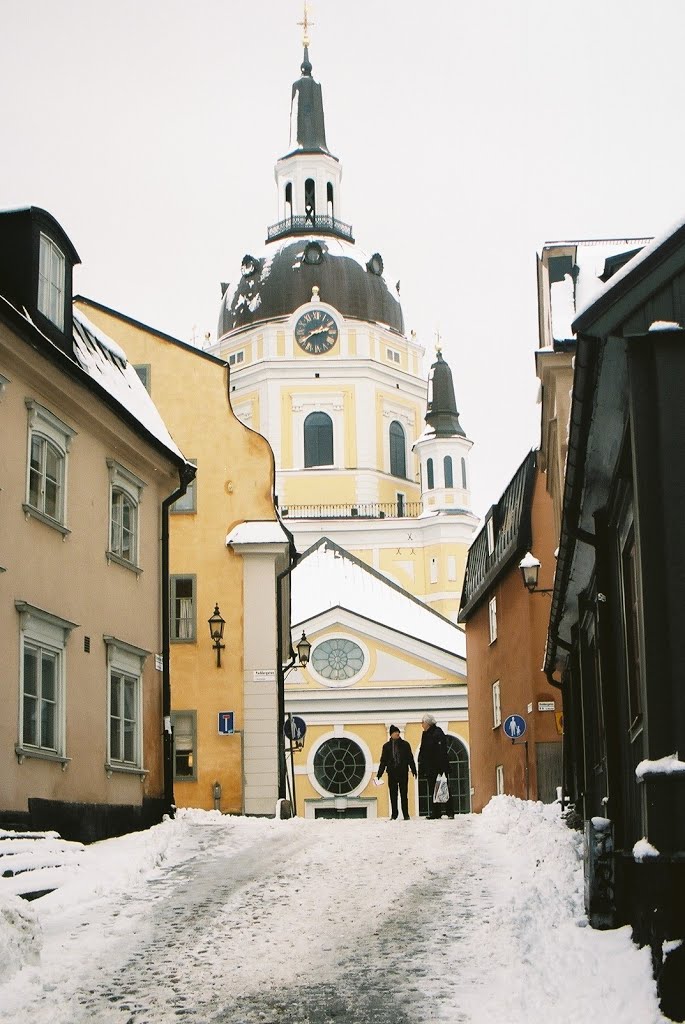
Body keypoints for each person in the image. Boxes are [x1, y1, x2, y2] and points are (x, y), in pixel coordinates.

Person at [377, 725, 417, 820]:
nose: (397, 733)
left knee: (404, 794)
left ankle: (405, 814)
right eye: (395, 732)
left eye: (398, 732)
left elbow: (410, 758)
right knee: (393, 794)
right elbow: (383, 761)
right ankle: (394, 814)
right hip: (392, 773)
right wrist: (379, 773)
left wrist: (414, 770)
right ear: (391, 734)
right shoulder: (386, 746)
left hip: (403, 772)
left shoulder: (405, 744)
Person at [418, 713, 454, 819]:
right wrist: (421, 761)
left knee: (444, 788)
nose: (421, 724)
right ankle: (436, 812)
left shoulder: (438, 732)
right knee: (433, 790)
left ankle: (450, 811)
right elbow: (423, 749)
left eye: (422, 722)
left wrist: (442, 768)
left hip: (439, 767)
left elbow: (441, 751)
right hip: (430, 767)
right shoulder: (425, 734)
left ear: (428, 723)